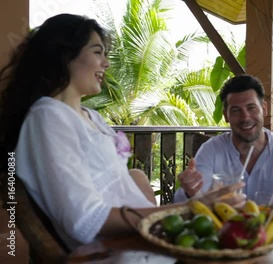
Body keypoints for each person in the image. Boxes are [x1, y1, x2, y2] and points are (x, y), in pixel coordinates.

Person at [0, 14, 243, 250]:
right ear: (65, 55)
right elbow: (87, 221)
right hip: (119, 253)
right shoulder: (48, 117)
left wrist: (191, 206)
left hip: (148, 243)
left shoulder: (90, 117)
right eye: (97, 52)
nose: (106, 63)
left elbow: (122, 185)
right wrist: (191, 208)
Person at [174, 74, 273, 205]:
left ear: (264, 109)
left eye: (251, 108)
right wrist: (189, 191)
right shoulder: (211, 150)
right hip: (223, 229)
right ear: (226, 116)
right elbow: (186, 202)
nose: (245, 117)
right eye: (236, 111)